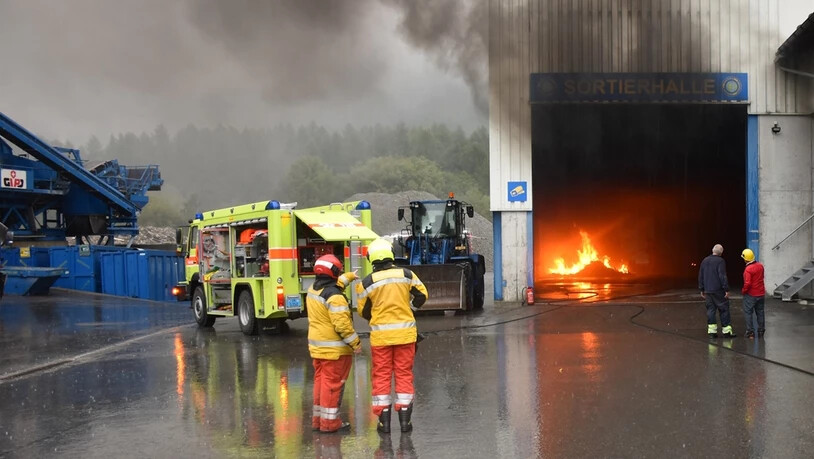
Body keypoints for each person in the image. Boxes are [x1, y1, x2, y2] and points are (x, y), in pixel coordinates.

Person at [356, 238, 428, 434]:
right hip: (406, 336)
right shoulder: (406, 274)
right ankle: (405, 423)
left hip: (381, 339)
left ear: (372, 258)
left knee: (381, 377)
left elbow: (363, 311)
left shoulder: (367, 282)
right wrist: (409, 309)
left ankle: (384, 424)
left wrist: (378, 315)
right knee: (404, 375)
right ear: (390, 254)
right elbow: (422, 295)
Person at [307, 254, 362, 433]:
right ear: (334, 272)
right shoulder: (335, 297)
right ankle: (330, 424)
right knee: (332, 386)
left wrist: (350, 276)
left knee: (321, 383)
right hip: (335, 351)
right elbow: (343, 326)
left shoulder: (313, 290)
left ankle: (318, 421)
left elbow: (336, 283)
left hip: (318, 349)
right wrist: (355, 343)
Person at [699, 244, 736, 338]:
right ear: (721, 252)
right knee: (723, 310)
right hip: (718, 291)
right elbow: (722, 276)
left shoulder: (705, 260)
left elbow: (701, 276)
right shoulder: (720, 261)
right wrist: (726, 289)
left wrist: (702, 289)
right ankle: (726, 332)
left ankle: (712, 333)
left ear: (712, 250)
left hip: (708, 290)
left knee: (711, 311)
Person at [741, 248, 766, 339]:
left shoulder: (748, 269)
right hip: (761, 293)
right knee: (760, 312)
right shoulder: (760, 266)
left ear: (745, 259)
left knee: (748, 312)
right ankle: (761, 330)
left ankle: (750, 332)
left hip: (751, 294)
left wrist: (743, 291)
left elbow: (747, 283)